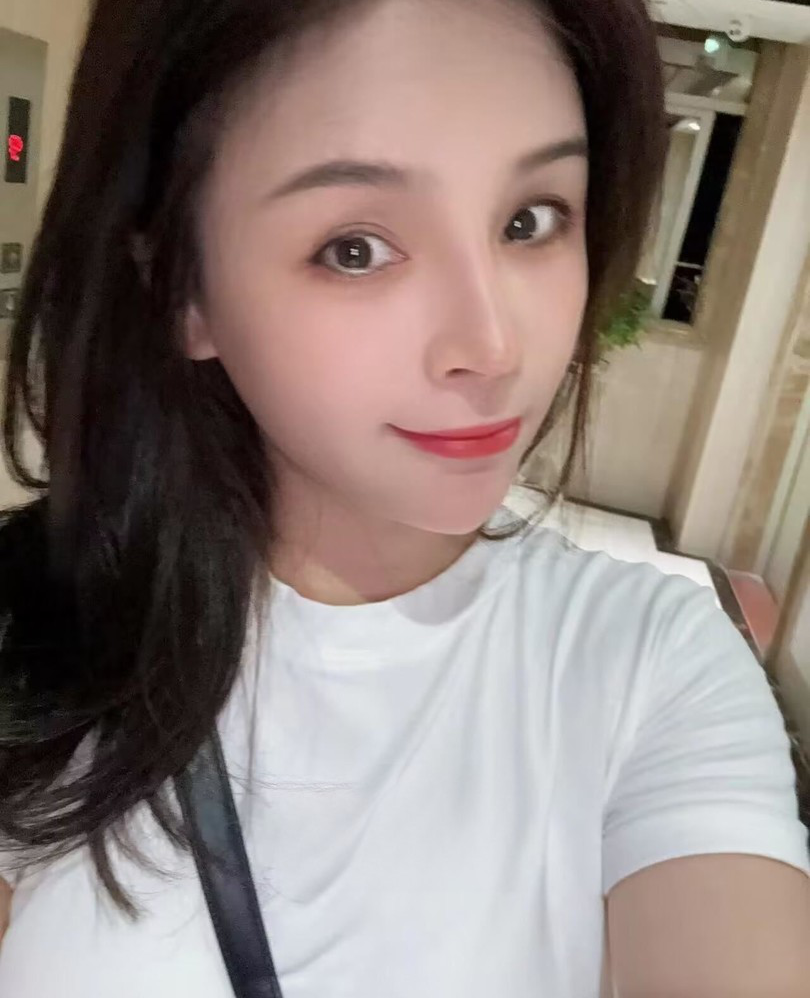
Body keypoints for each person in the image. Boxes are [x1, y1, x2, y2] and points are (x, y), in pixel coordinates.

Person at [1, 0, 809, 994]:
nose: (493, 346)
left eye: (530, 221)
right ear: (183, 289)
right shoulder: (35, 626)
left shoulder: (654, 667)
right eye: (356, 247)